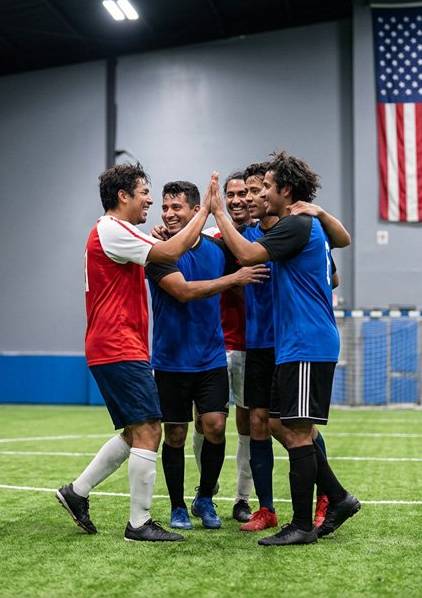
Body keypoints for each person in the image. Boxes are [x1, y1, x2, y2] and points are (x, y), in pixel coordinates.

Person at [208, 152, 360, 546]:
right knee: (281, 425)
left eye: (268, 188)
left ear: (286, 191)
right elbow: (341, 240)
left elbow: (247, 254)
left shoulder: (296, 225)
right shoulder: (302, 224)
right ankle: (339, 499)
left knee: (295, 433)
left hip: (307, 342)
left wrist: (218, 210)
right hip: (294, 345)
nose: (262, 193)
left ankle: (304, 524)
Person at [56, 163, 213, 543]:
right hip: (117, 345)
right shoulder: (112, 229)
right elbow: (172, 250)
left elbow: (174, 247)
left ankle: (76, 492)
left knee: (133, 432)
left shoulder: (116, 231)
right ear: (123, 196)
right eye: (144, 192)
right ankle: (139, 524)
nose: (149, 200)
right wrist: (205, 209)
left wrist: (197, 224)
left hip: (116, 346)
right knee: (149, 431)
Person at [146, 180, 268, 531]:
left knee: (214, 426)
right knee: (176, 436)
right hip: (171, 361)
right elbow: (184, 292)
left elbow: (248, 254)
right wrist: (232, 280)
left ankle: (205, 499)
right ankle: (177, 506)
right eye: (165, 208)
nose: (169, 214)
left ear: (194, 210)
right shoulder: (158, 252)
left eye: (176, 208)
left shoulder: (218, 249)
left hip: (211, 358)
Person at [198, 171, 255, 523]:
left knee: (248, 425)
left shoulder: (264, 238)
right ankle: (206, 492)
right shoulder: (208, 238)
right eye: (230, 195)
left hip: (251, 346)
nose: (235, 200)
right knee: (206, 424)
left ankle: (242, 498)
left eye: (242, 194)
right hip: (212, 346)